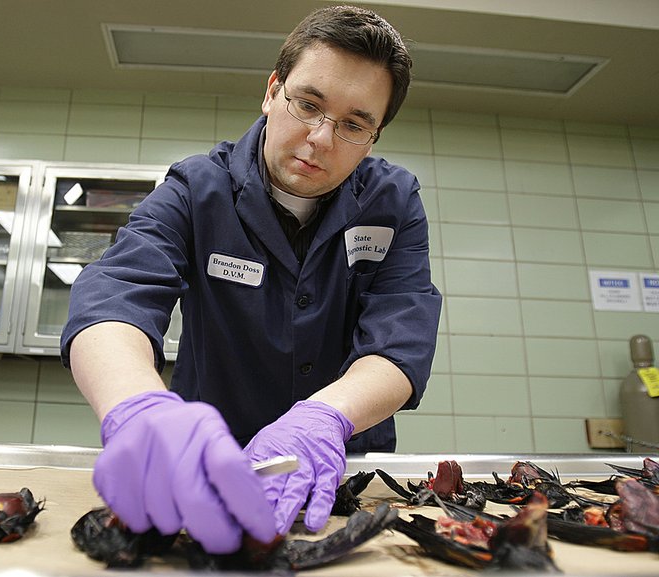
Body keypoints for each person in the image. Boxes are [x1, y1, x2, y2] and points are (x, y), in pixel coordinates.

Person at [60, 4, 441, 555]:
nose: (320, 139)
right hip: (206, 463)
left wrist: (325, 418)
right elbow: (115, 294)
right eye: (308, 104)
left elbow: (402, 335)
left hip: (334, 464)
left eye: (354, 124)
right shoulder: (196, 188)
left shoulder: (394, 201)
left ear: (375, 135)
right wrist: (136, 406)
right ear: (272, 90)